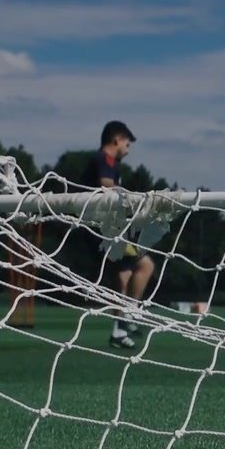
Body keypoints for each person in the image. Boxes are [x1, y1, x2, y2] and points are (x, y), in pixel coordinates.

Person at [80, 120, 157, 349]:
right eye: (127, 144)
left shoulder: (108, 162)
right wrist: (134, 201)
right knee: (146, 266)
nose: (128, 149)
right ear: (117, 139)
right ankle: (130, 315)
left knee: (123, 276)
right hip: (102, 230)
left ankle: (118, 332)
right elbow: (106, 187)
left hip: (98, 229)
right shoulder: (105, 159)